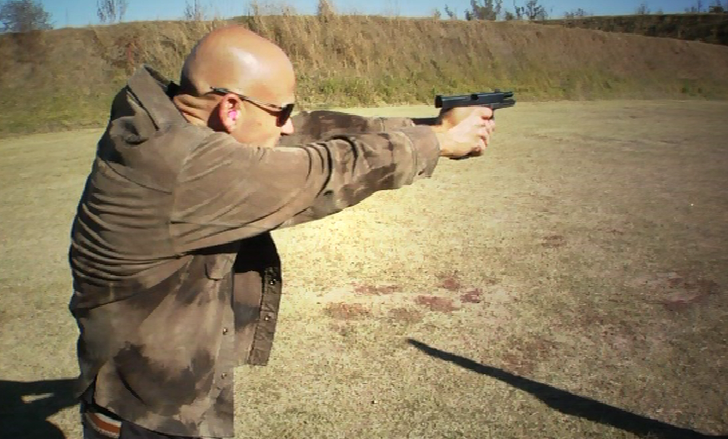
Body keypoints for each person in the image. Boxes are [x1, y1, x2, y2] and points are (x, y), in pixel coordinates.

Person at [68, 25, 497, 439]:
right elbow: (323, 170)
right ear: (231, 108)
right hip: (143, 420)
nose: (289, 125)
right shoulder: (181, 164)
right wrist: (437, 143)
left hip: (164, 400)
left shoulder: (178, 120)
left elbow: (311, 131)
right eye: (282, 112)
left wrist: (432, 127)